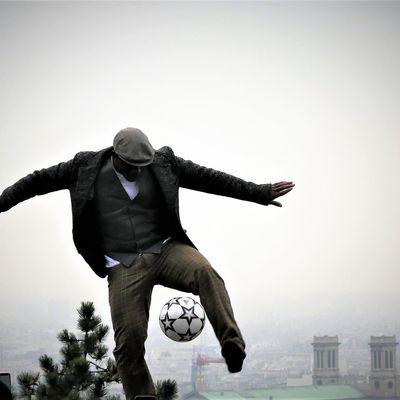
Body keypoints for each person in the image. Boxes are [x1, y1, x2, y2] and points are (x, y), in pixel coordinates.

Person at [0, 127, 294, 399]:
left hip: (164, 248)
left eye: (143, 165)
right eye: (132, 166)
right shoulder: (83, 168)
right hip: (122, 262)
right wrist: (2, 202)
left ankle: (232, 344)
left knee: (206, 272)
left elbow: (210, 179)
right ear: (116, 157)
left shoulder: (164, 163)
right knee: (128, 342)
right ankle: (143, 396)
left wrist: (259, 193)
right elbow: (36, 181)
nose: (139, 171)